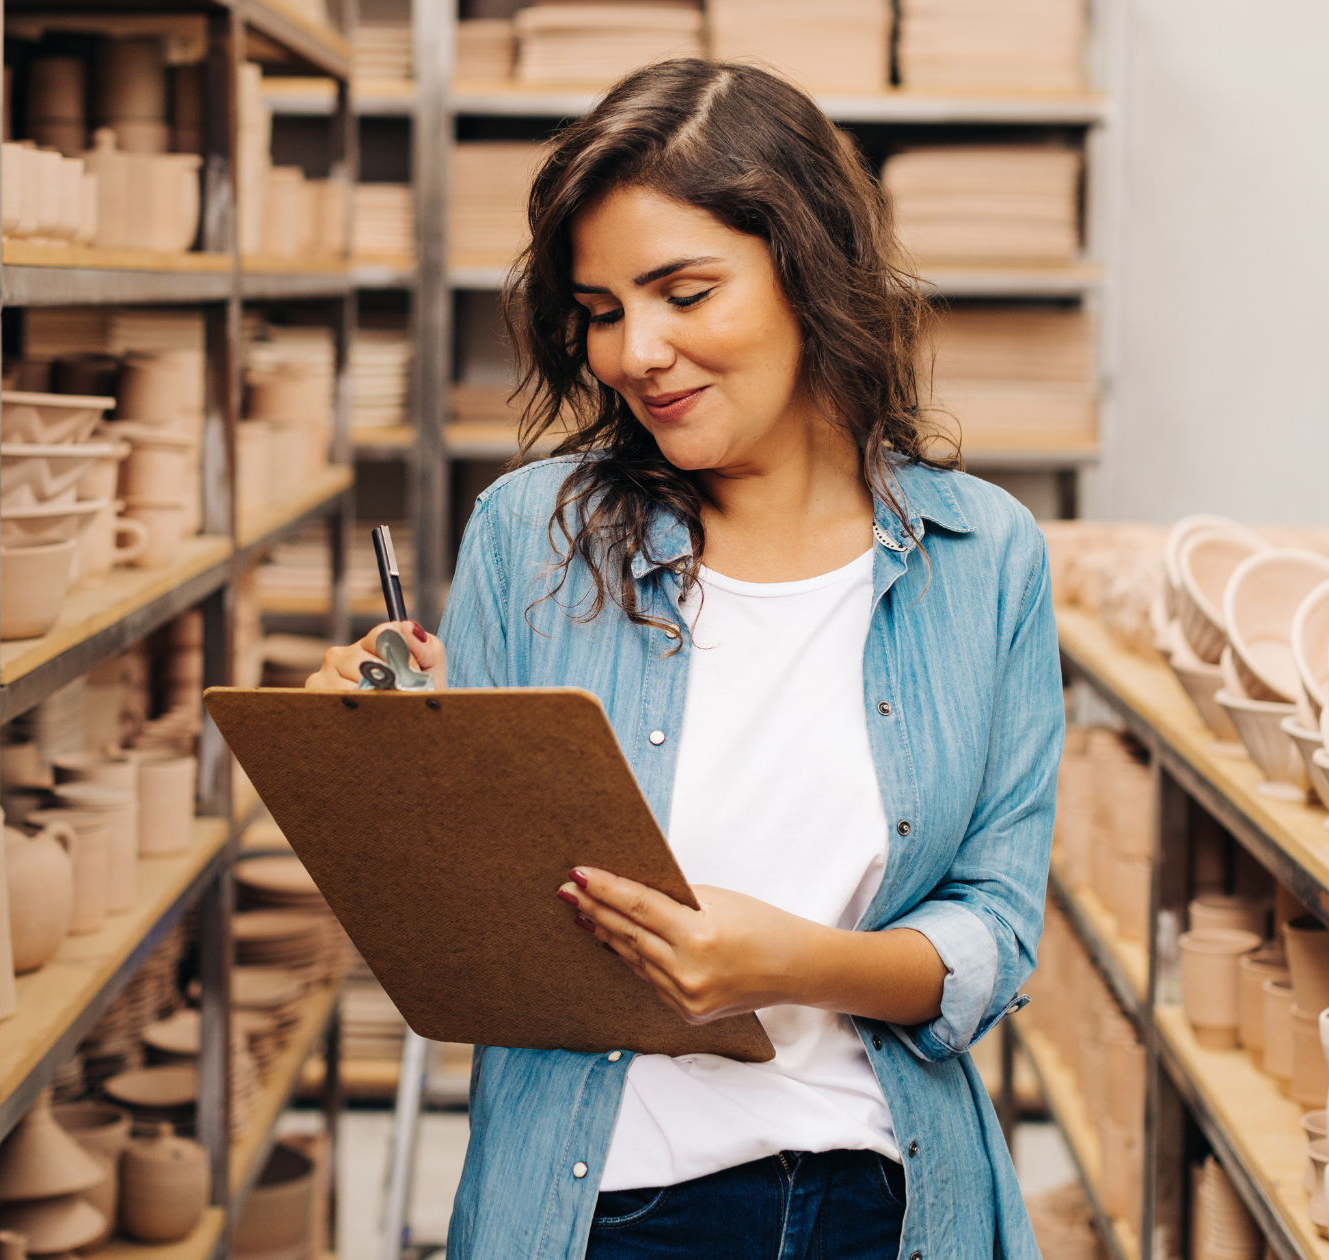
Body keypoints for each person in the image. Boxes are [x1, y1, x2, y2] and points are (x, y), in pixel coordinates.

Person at [305, 58, 1060, 1260]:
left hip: (890, 1205)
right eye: (602, 310)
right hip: (604, 1208)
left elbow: (994, 931)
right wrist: (383, 761)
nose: (634, 352)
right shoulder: (534, 535)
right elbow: (471, 928)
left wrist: (793, 965)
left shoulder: (986, 557)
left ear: (809, 268)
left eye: (683, 291)